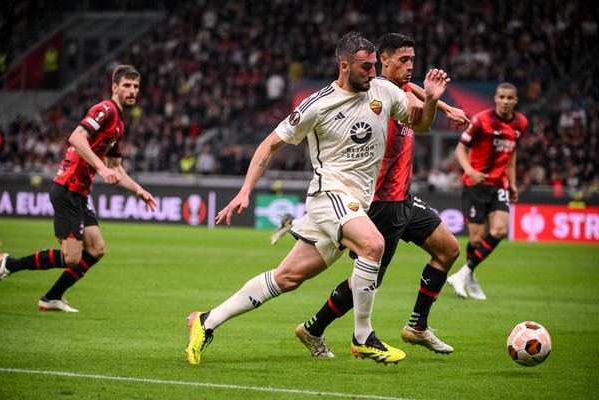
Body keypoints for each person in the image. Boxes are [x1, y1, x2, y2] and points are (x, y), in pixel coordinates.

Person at [186, 32, 450, 365]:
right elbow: (269, 144)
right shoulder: (318, 104)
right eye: (366, 67)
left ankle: (206, 320)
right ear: (345, 66)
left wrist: (432, 101)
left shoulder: (385, 92)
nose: (373, 73)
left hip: (355, 204)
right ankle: (363, 337)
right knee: (373, 246)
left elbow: (420, 126)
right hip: (330, 195)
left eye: (374, 66)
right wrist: (245, 191)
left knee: (287, 277)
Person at [291, 33, 468, 358]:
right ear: (383, 61)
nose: (411, 66)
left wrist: (441, 104)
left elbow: (412, 91)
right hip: (380, 201)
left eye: (413, 59)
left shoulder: (401, 89)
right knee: (369, 280)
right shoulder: (376, 94)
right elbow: (410, 101)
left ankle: (417, 326)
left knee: (448, 249)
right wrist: (436, 103)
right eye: (404, 60)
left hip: (404, 197)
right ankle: (314, 328)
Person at [0, 65, 157, 312]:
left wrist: (138, 190)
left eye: (136, 86)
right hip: (67, 187)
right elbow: (76, 137)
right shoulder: (105, 110)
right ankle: (9, 264)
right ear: (114, 87)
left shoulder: (119, 124)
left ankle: (52, 297)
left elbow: (115, 167)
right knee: (72, 258)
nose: (132, 90)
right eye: (127, 85)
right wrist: (100, 168)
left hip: (79, 193)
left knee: (96, 249)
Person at [446, 82, 528, 300]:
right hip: (475, 184)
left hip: (499, 184)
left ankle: (462, 274)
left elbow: (511, 154)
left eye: (510, 98)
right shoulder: (481, 120)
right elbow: (460, 149)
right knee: (476, 238)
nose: (506, 101)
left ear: (516, 100)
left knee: (500, 230)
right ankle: (469, 277)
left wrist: (512, 183)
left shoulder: (521, 123)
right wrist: (470, 171)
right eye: (502, 97)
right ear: (496, 98)